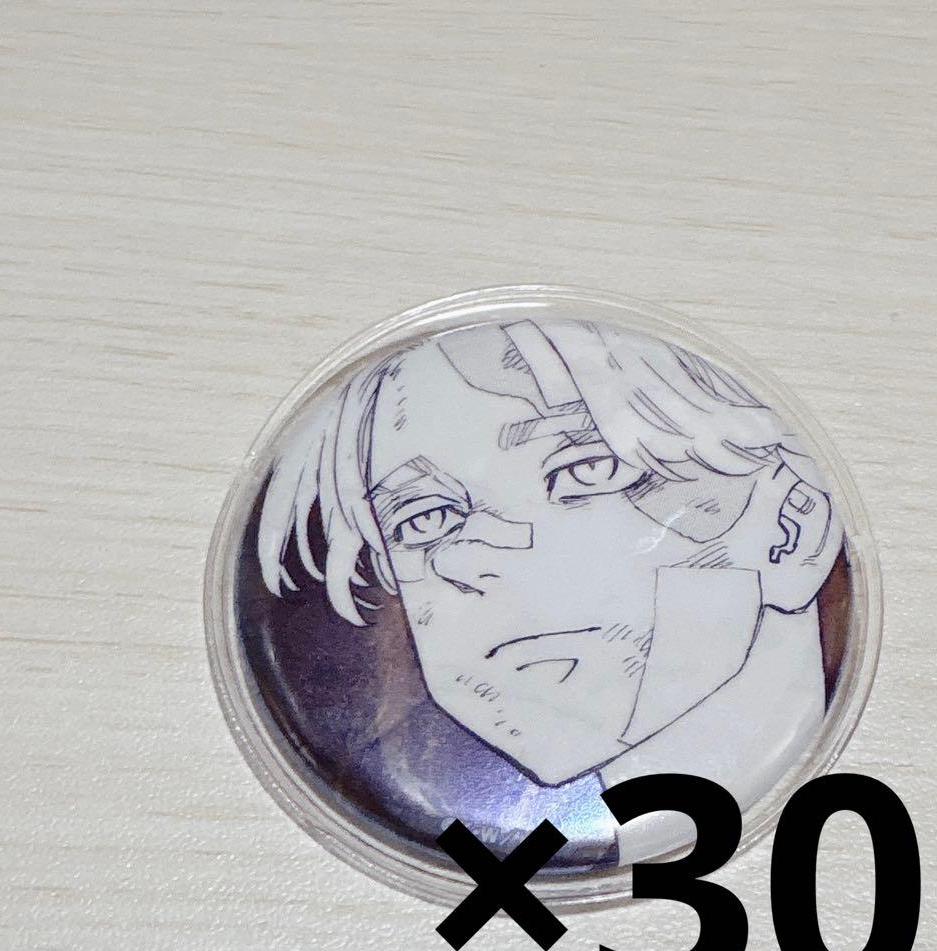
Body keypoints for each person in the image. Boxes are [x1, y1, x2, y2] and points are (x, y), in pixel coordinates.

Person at [259, 318, 844, 860]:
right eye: (425, 519)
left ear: (793, 532)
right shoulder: (411, 788)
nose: (469, 558)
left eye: (588, 469)